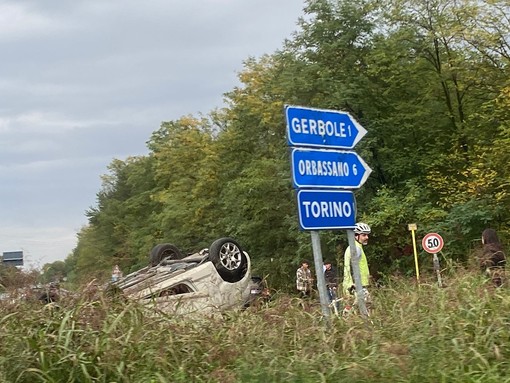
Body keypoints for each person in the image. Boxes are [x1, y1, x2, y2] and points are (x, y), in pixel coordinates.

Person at [343, 222, 371, 298]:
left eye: (367, 235)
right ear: (356, 236)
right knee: (367, 306)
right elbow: (351, 267)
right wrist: (354, 284)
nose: (367, 237)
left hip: (358, 284)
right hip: (356, 285)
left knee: (354, 307)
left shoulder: (357, 247)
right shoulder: (355, 248)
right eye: (364, 235)